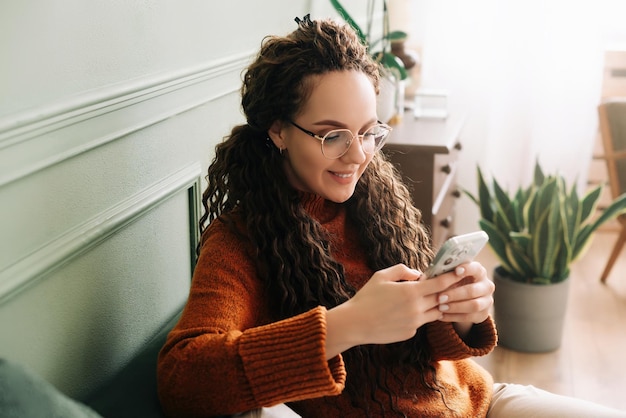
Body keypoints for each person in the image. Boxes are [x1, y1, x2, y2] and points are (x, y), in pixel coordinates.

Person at [157, 15, 626, 418]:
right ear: (278, 131)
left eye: (368, 132)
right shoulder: (239, 243)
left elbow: (421, 349)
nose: (357, 155)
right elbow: (182, 380)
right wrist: (348, 325)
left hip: (478, 402)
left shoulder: (375, 202)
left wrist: (462, 313)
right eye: (332, 136)